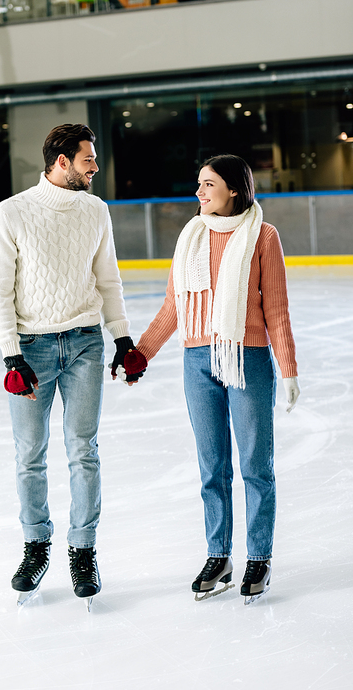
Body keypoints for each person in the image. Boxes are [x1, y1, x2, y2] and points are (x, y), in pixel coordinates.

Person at [0, 123, 146, 608]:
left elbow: (108, 278)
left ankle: (83, 549)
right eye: (87, 160)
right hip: (31, 348)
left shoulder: (96, 211)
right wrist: (11, 352)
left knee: (84, 449)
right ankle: (36, 546)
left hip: (84, 344)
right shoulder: (11, 213)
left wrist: (122, 338)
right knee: (29, 453)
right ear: (61, 161)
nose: (95, 167)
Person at [135, 154, 300, 603]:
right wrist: (141, 353)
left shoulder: (263, 237)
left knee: (254, 467)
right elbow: (174, 306)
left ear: (233, 189)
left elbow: (276, 309)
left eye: (209, 185)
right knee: (212, 469)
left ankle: (259, 557)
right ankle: (219, 555)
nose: (199, 193)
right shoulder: (191, 237)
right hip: (197, 362)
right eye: (199, 184)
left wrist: (288, 369)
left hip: (246, 357)